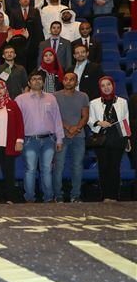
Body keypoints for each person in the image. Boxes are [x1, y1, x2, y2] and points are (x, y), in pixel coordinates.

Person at [15, 71, 65, 203]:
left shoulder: (51, 98)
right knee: (30, 169)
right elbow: (16, 122)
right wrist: (18, 140)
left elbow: (57, 119)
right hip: (29, 140)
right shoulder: (20, 99)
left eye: (39, 79)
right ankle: (30, 198)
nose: (37, 81)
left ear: (43, 82)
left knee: (47, 170)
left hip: (49, 139)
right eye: (34, 79)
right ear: (29, 82)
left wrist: (59, 139)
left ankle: (48, 198)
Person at [88, 76, 131, 202]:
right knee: (103, 167)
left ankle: (114, 196)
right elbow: (90, 120)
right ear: (100, 88)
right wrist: (99, 122)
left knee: (115, 168)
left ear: (113, 85)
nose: (106, 88)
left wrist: (128, 138)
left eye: (108, 85)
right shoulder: (94, 103)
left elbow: (126, 120)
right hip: (101, 139)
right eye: (103, 85)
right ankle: (105, 196)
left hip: (118, 139)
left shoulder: (122, 101)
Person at [53, 72, 89, 203]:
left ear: (77, 82)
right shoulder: (55, 96)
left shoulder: (83, 96)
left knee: (77, 166)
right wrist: (68, 128)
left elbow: (85, 116)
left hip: (79, 136)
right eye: (66, 79)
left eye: (72, 80)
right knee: (59, 166)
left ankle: (75, 195)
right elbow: (54, 116)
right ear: (63, 81)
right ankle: (58, 195)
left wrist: (76, 128)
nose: (68, 82)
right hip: (60, 136)